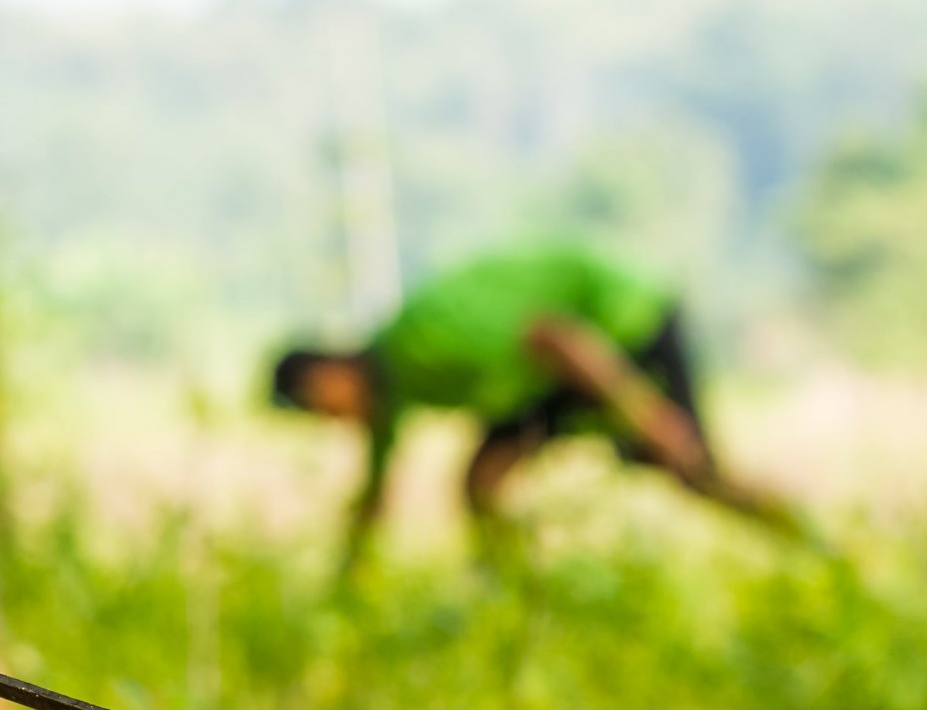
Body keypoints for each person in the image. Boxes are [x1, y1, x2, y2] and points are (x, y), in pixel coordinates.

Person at [270, 243, 804, 573]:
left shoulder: (421, 340)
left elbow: (556, 337)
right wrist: (346, 577)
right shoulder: (391, 397)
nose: (332, 422)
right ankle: (517, 600)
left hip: (621, 324)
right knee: (480, 483)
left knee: (696, 471)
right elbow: (374, 499)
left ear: (327, 375)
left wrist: (645, 414)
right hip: (556, 377)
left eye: (319, 408)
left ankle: (811, 541)